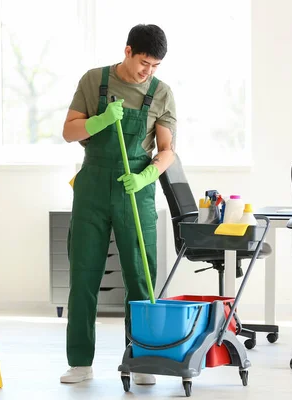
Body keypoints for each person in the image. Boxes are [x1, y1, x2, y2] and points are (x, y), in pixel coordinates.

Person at [60, 24, 177, 385]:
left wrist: (146, 176)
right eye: (145, 63)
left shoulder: (162, 94)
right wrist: (99, 120)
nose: (149, 72)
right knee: (84, 275)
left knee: (141, 278)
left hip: (135, 191)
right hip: (93, 186)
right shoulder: (94, 81)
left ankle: (142, 359)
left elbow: (167, 150)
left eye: (155, 65)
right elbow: (69, 132)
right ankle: (80, 362)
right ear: (128, 51)